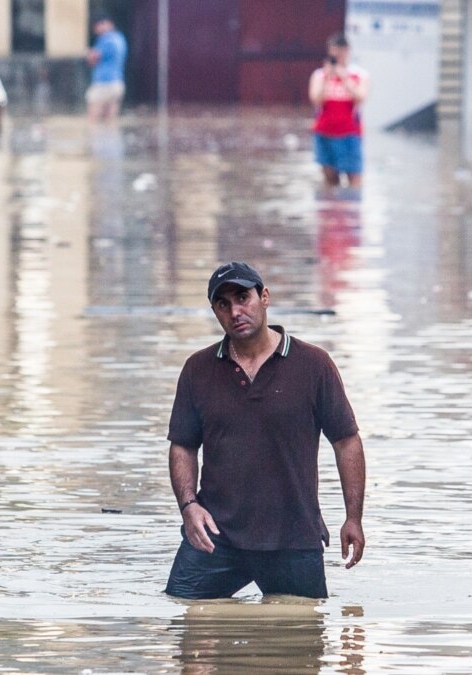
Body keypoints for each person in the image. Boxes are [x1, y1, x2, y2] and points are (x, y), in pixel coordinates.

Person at [164, 261, 366, 599]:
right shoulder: (197, 370)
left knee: (301, 638)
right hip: (216, 536)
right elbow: (182, 446)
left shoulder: (314, 365)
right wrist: (188, 507)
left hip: (293, 538)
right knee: (185, 623)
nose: (235, 311)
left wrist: (353, 518)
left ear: (265, 297)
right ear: (215, 312)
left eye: (243, 297)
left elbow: (347, 442)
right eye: (223, 304)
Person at [309, 33, 369, 188]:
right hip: (324, 132)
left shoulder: (359, 74)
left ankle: (353, 210)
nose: (336, 55)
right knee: (330, 180)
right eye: (333, 51)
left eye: (339, 51)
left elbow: (361, 98)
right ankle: (330, 209)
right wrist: (328, 78)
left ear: (347, 51)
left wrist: (344, 77)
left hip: (350, 133)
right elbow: (316, 99)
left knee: (355, 179)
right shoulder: (320, 75)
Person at [86, 13, 127, 122]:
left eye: (98, 25)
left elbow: (93, 58)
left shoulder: (105, 39)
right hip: (118, 83)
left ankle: (94, 139)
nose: (96, 30)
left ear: (107, 24)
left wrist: (89, 53)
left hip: (103, 83)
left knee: (93, 119)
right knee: (111, 120)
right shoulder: (120, 38)